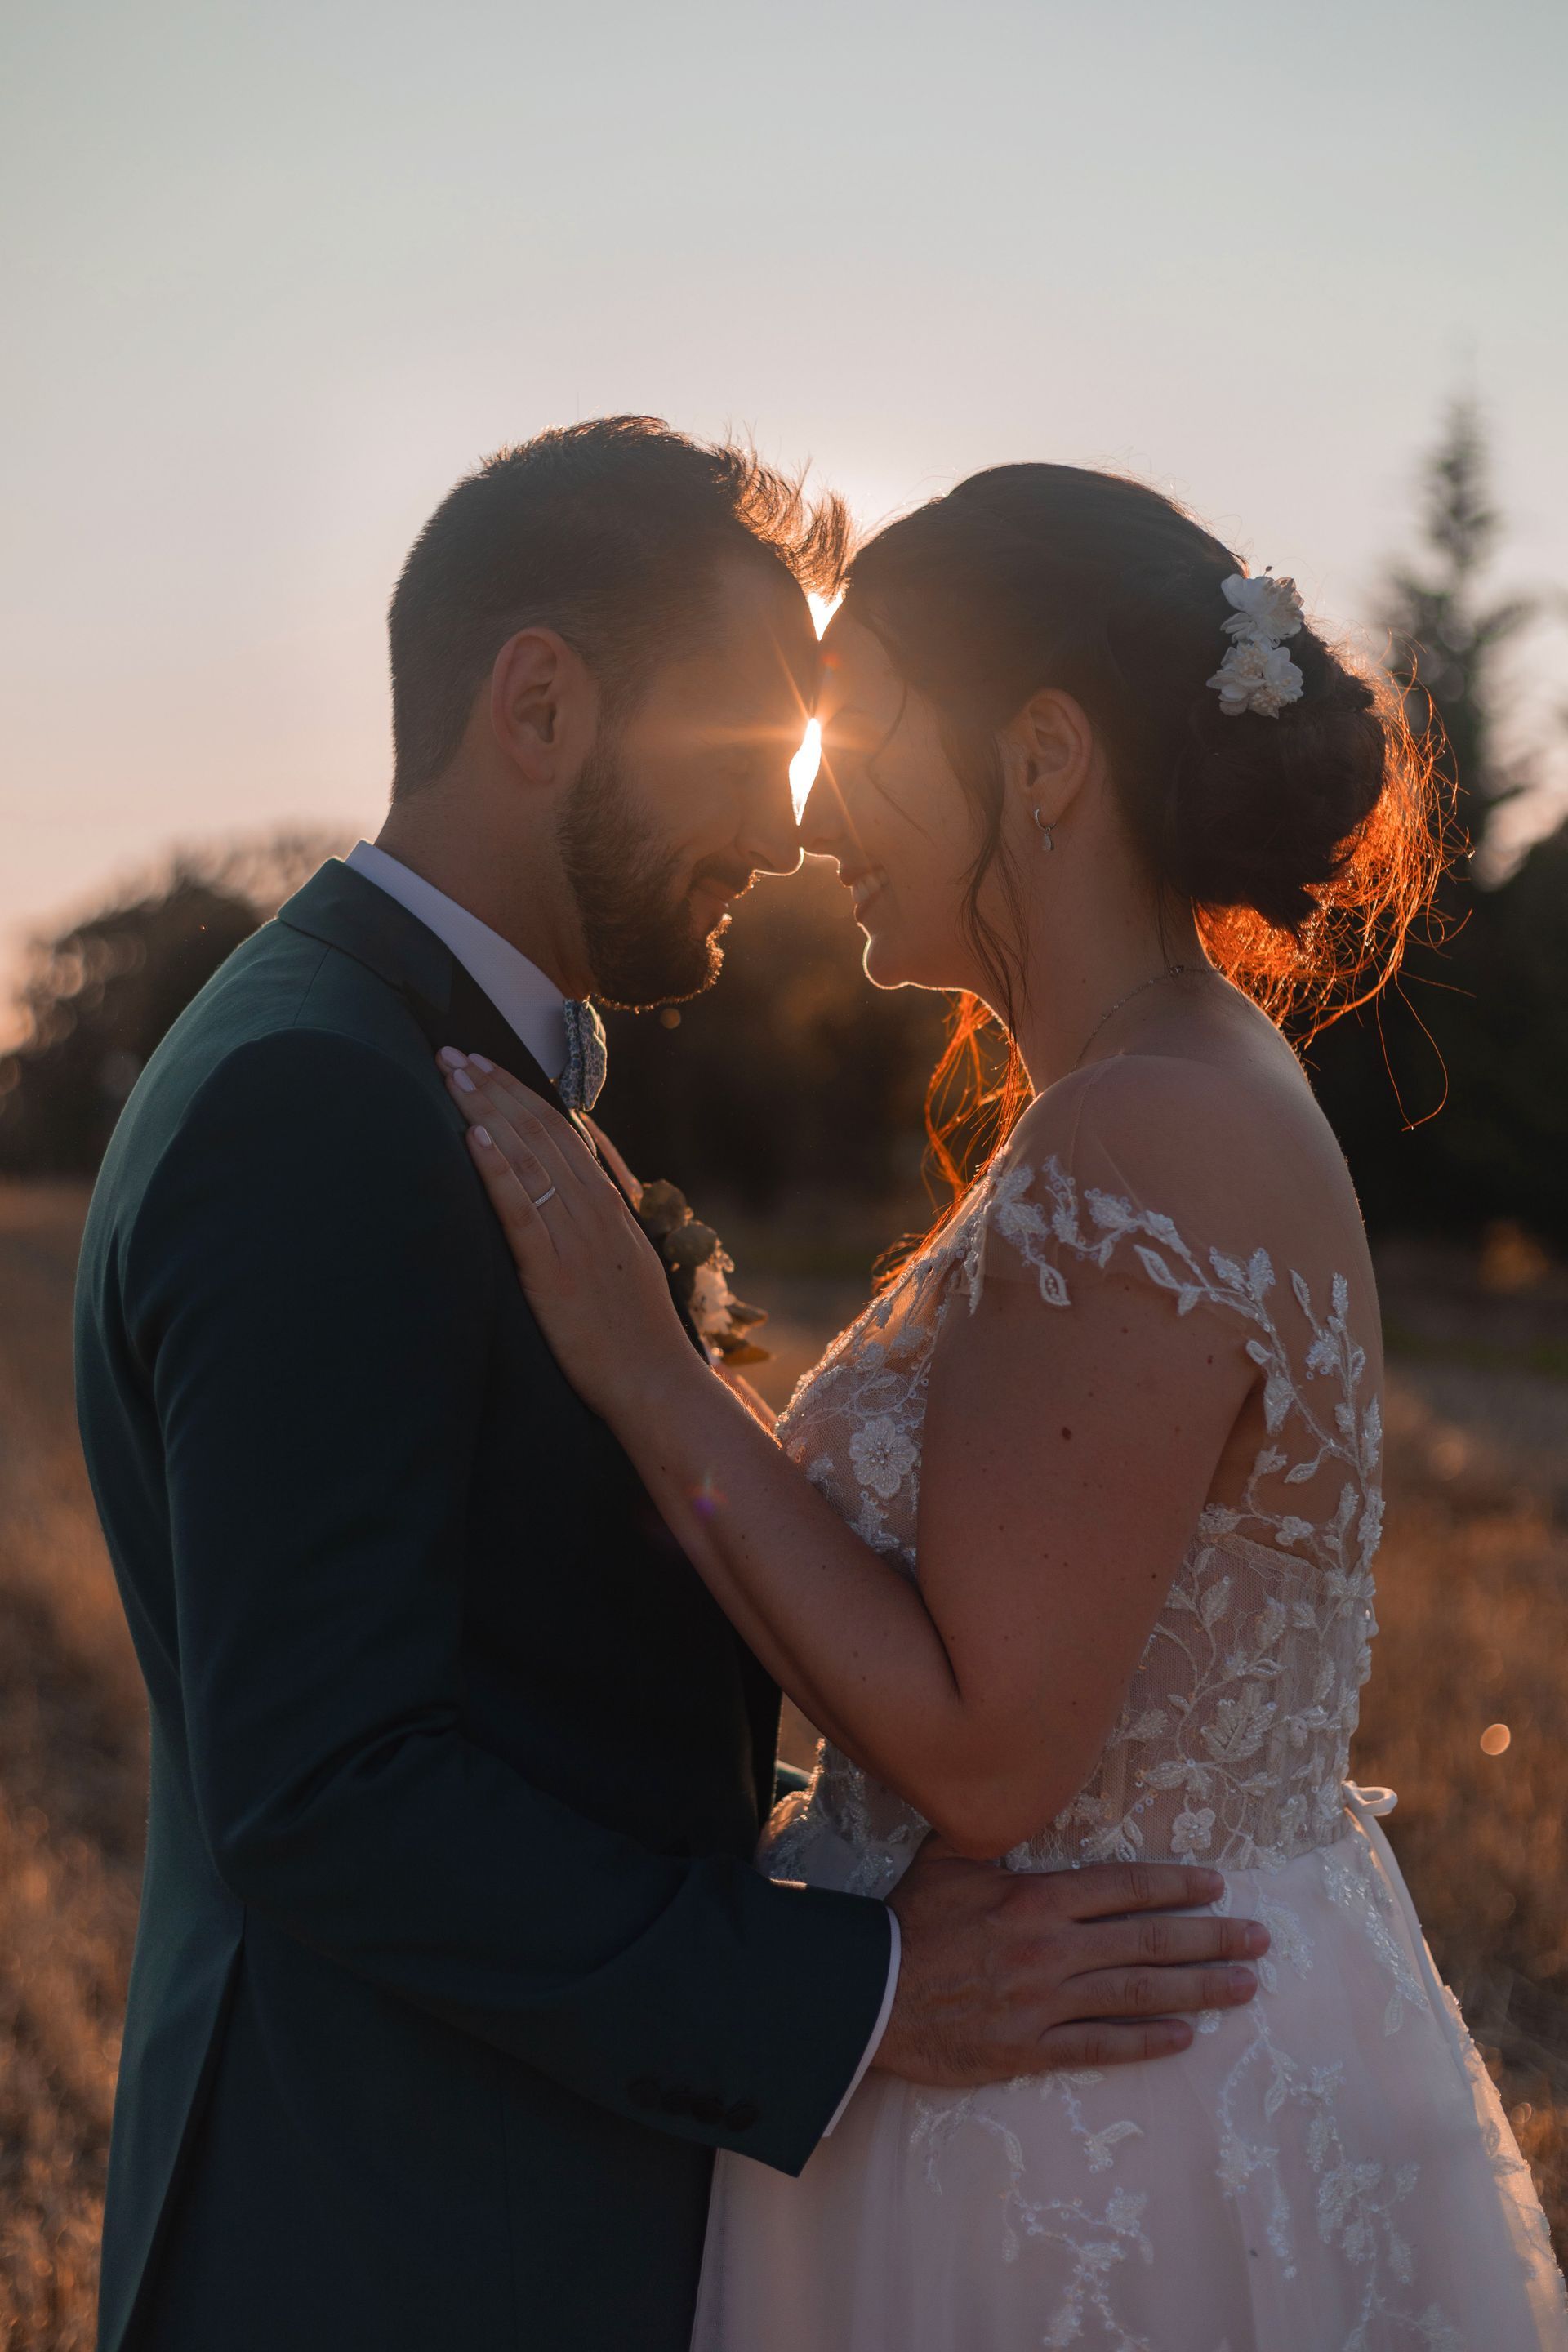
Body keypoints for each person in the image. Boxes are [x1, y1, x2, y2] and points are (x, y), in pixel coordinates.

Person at [74, 424, 1264, 2352]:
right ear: (539, 704)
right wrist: (863, 1990)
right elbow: (330, 1788)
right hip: (381, 2244)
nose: (787, 829)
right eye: (741, 735)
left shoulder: (432, 1063)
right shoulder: (320, 1101)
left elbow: (532, 1677)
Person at [436, 462, 1568, 2349]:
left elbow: (984, 1754)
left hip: (1089, 2130)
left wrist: (643, 1368)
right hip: (1129, 2040)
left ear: (1042, 758)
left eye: (866, 734)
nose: (815, 816)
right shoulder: (1171, 1088)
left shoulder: (1140, 1131)